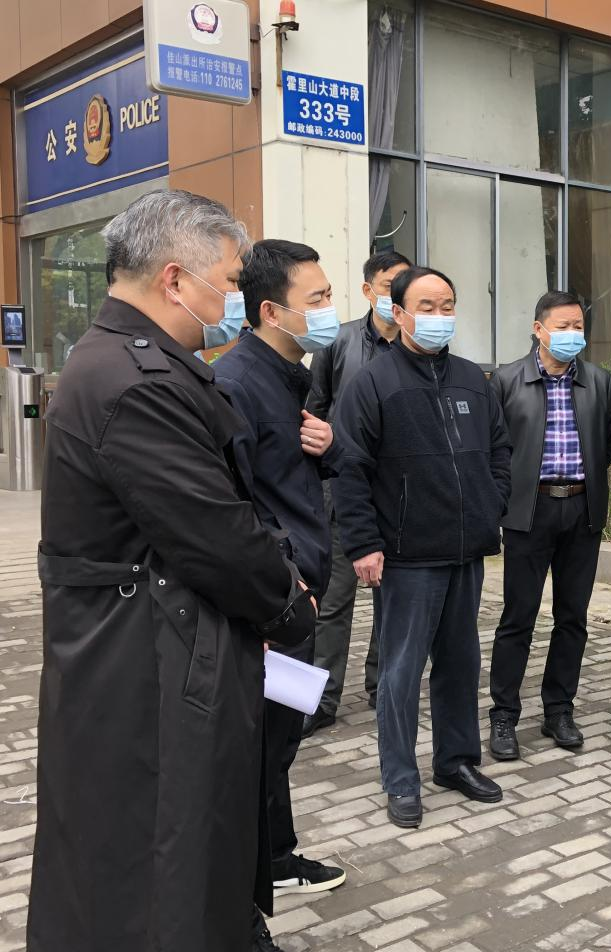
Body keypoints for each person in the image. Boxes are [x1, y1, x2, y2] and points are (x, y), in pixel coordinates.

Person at [27, 189, 316, 952]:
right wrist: (289, 605)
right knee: (164, 855)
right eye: (229, 280)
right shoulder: (134, 380)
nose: (234, 299)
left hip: (158, 640)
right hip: (150, 654)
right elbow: (216, 535)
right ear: (176, 279)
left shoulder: (131, 361)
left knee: (183, 847)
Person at [333, 265, 511, 829]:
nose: (439, 316)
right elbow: (349, 468)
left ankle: (456, 762)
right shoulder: (373, 382)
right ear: (400, 312)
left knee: (460, 664)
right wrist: (364, 543)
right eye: (427, 307)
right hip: (406, 555)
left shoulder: (472, 379)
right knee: (401, 673)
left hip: (466, 550)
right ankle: (400, 778)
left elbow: (500, 451)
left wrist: (490, 504)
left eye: (447, 306)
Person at [214, 239, 347, 950]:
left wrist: (330, 449)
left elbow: (290, 477)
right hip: (276, 605)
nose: (329, 310)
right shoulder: (236, 382)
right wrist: (281, 586)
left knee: (281, 740)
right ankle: (241, 906)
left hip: (299, 601)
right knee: (258, 750)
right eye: (316, 299)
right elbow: (234, 505)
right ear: (272, 311)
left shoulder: (293, 375)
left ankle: (277, 855)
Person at [486, 291, 611, 759]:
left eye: (578, 326)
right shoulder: (507, 380)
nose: (572, 334)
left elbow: (607, 443)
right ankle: (504, 715)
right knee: (517, 618)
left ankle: (559, 709)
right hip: (529, 511)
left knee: (573, 617)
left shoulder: (599, 382)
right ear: (539, 329)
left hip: (582, 510)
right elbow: (495, 448)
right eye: (562, 326)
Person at [304, 250, 412, 735]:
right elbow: (313, 411)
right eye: (389, 285)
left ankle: (380, 685)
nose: (396, 293)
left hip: (399, 498)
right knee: (333, 604)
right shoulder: (337, 342)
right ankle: (322, 700)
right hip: (343, 494)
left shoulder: (417, 346)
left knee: (393, 603)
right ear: (369, 290)